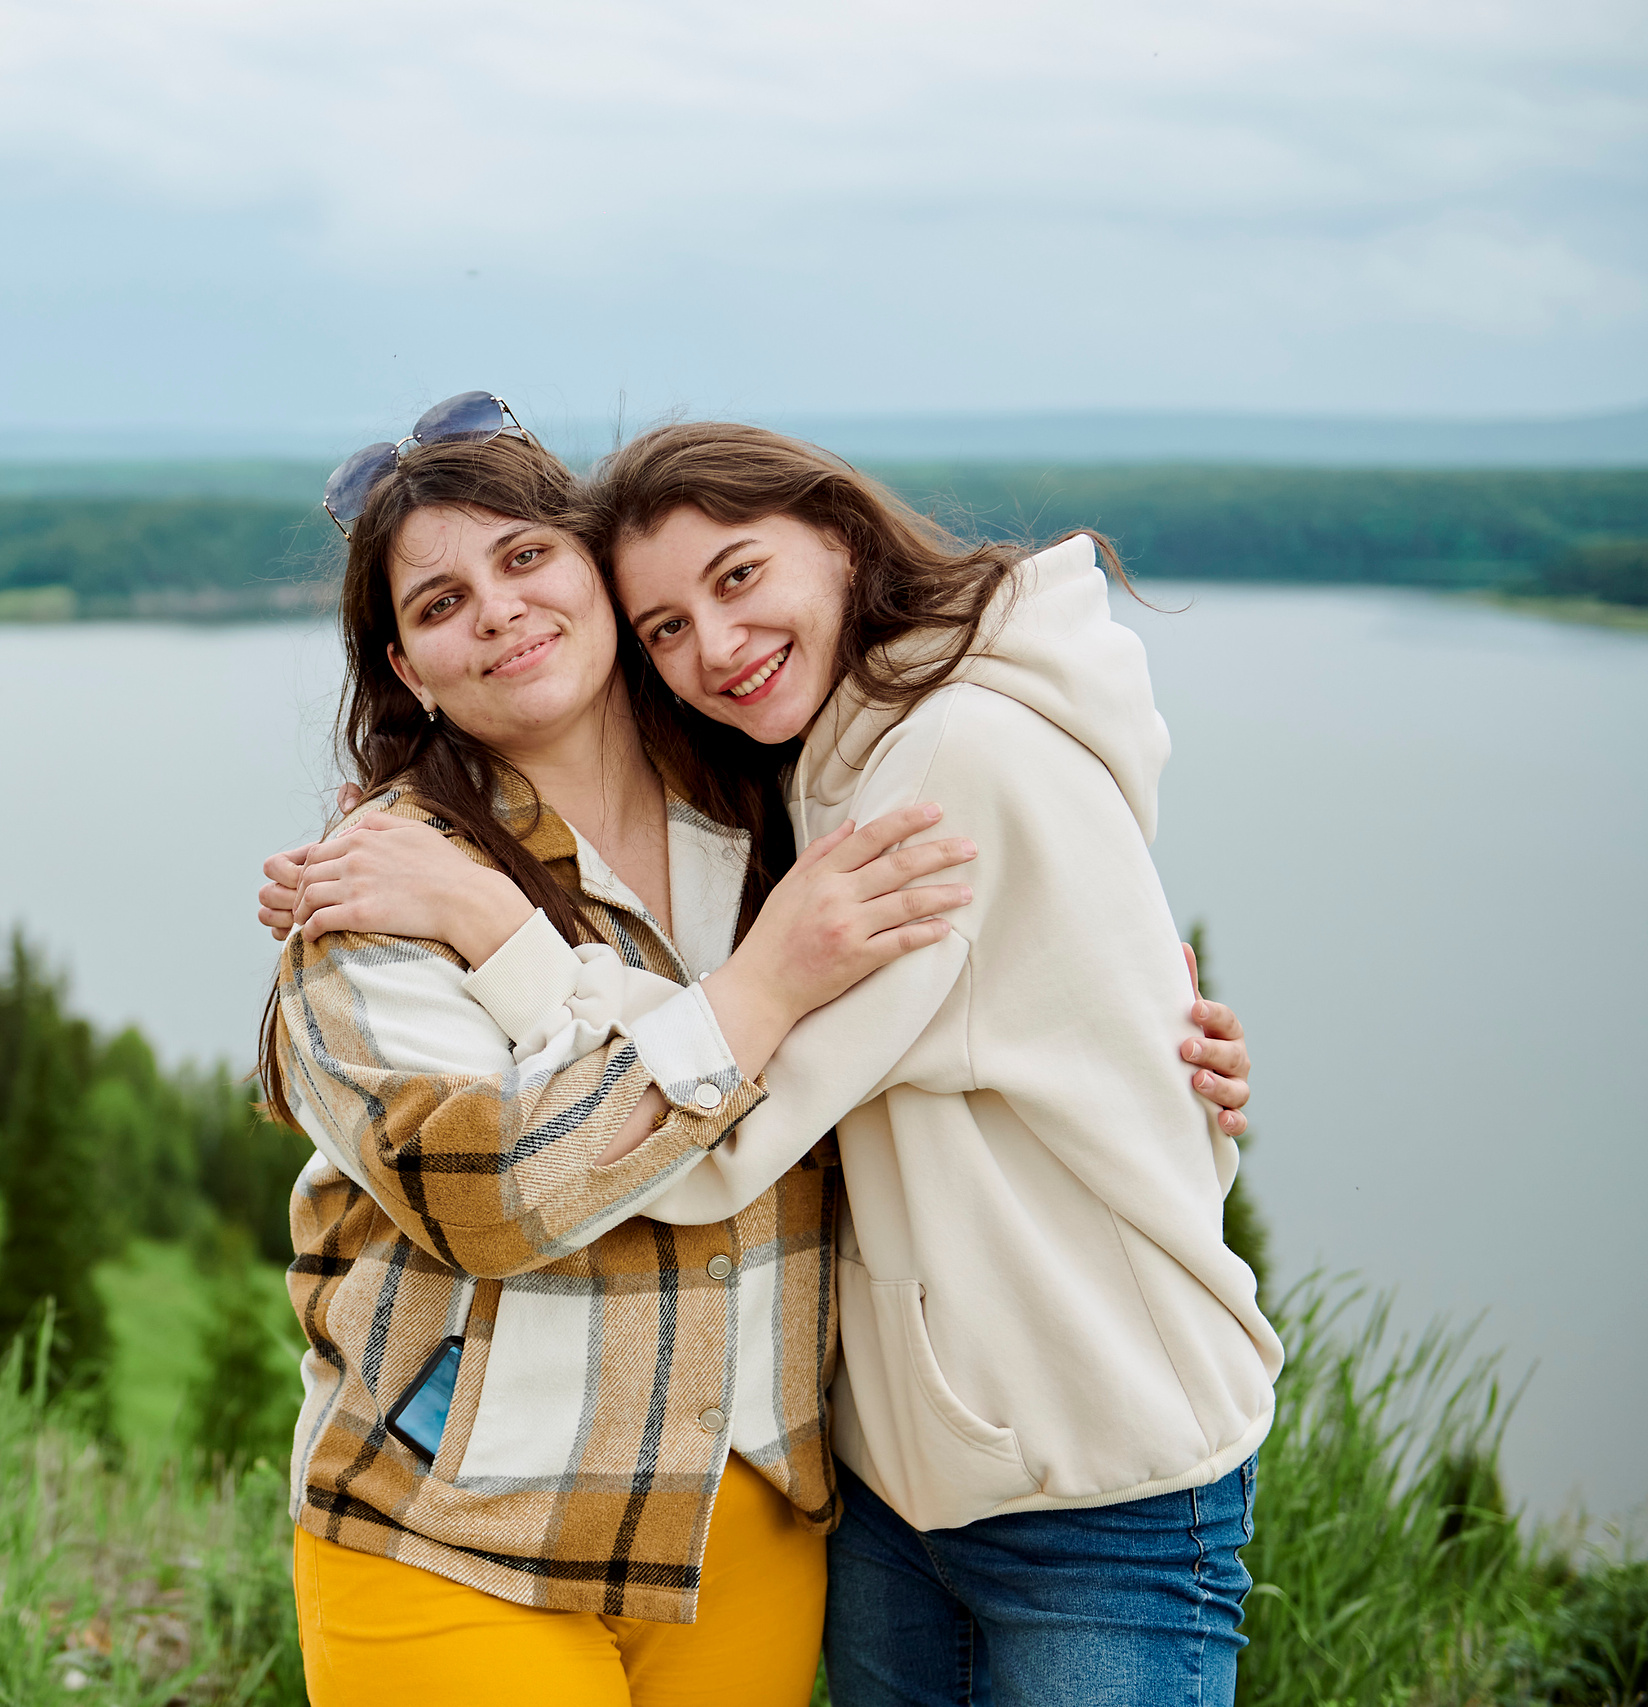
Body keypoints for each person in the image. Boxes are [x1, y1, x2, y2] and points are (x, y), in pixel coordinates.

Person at [257, 396, 1255, 1706]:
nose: (495, 610)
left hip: (773, 1515)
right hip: (468, 1526)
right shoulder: (383, 884)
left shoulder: (784, 819)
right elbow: (487, 1193)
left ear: (595, 588)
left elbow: (878, 1056)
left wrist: (1150, 1052)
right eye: (438, 605)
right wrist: (702, 970)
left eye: (522, 559)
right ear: (404, 672)